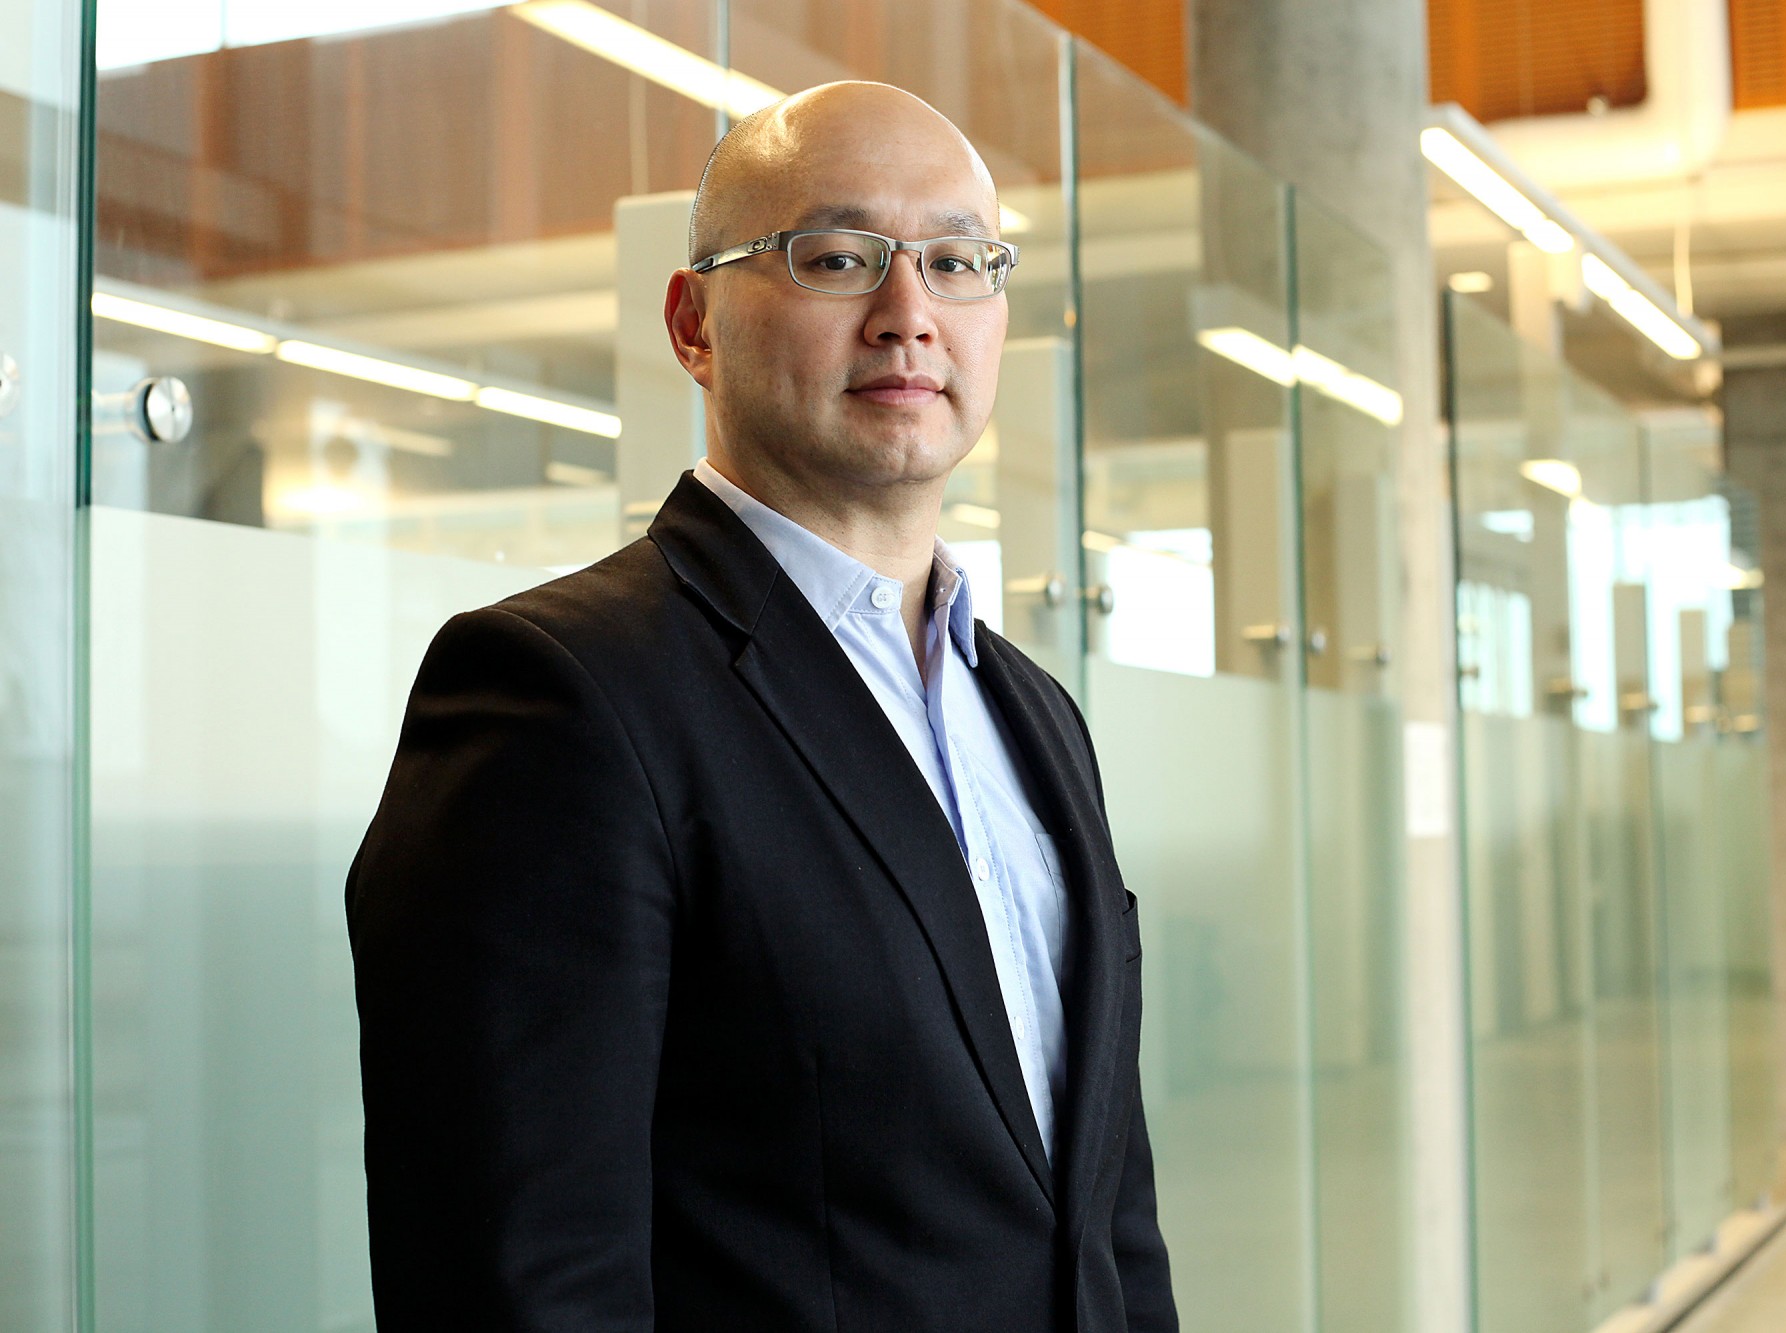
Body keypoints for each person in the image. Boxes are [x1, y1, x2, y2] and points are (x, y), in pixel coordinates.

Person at [346, 80, 1176, 1332]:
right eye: (836, 258)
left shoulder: (1035, 713)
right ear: (693, 325)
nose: (909, 315)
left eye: (956, 263)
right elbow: (518, 1277)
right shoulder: (558, 690)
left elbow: (1105, 1219)